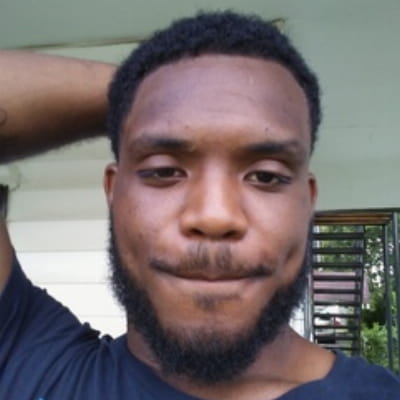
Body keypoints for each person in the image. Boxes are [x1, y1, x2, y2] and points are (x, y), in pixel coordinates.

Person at [0, 11, 399, 400]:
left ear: (307, 202)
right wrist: (139, 97)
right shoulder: (32, 364)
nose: (214, 216)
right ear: (113, 191)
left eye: (265, 176)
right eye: (164, 170)